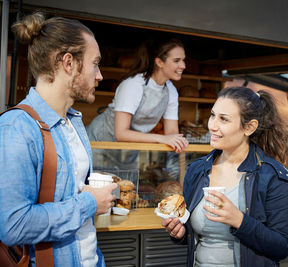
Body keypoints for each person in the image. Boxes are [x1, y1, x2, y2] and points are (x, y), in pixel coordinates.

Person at [0, 13, 118, 266]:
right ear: (68, 63)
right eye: (95, 64)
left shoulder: (73, 122)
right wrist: (89, 202)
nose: (99, 75)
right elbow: (14, 225)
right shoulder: (17, 128)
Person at [162, 87, 288, 266]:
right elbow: (193, 231)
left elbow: (282, 247)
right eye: (212, 115)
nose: (212, 125)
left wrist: (239, 220)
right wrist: (180, 232)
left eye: (223, 119)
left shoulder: (272, 175)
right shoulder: (197, 170)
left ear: (249, 127)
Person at [86, 38, 188, 170]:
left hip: (128, 151)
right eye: (176, 61)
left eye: (183, 60)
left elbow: (172, 133)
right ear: (159, 62)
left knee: (125, 188)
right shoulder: (134, 84)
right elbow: (121, 133)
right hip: (100, 145)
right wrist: (161, 138)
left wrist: (177, 141)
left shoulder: (171, 91)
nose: (183, 66)